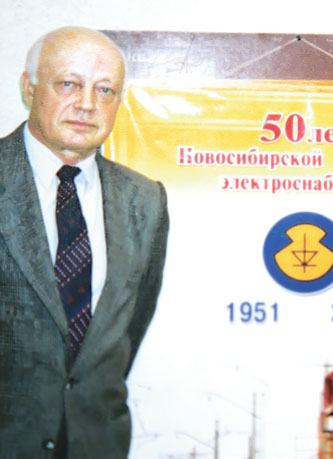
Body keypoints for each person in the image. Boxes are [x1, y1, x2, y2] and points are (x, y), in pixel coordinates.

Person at [0, 27, 169, 458]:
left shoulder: (146, 200)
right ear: (29, 88)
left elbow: (129, 328)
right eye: (69, 84)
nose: (88, 104)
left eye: (105, 90)